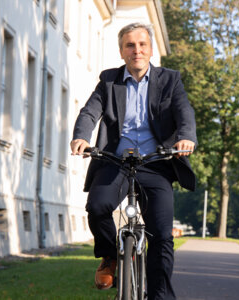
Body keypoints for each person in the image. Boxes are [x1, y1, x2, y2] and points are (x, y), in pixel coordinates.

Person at [70, 23, 197, 300]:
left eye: (142, 44)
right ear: (121, 51)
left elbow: (183, 110)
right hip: (116, 162)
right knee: (97, 206)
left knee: (162, 236)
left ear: (150, 50)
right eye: (130, 45)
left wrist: (186, 137)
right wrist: (81, 137)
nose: (136, 50)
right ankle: (109, 258)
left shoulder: (169, 80)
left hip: (154, 163)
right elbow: (89, 112)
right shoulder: (109, 80)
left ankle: (159, 296)